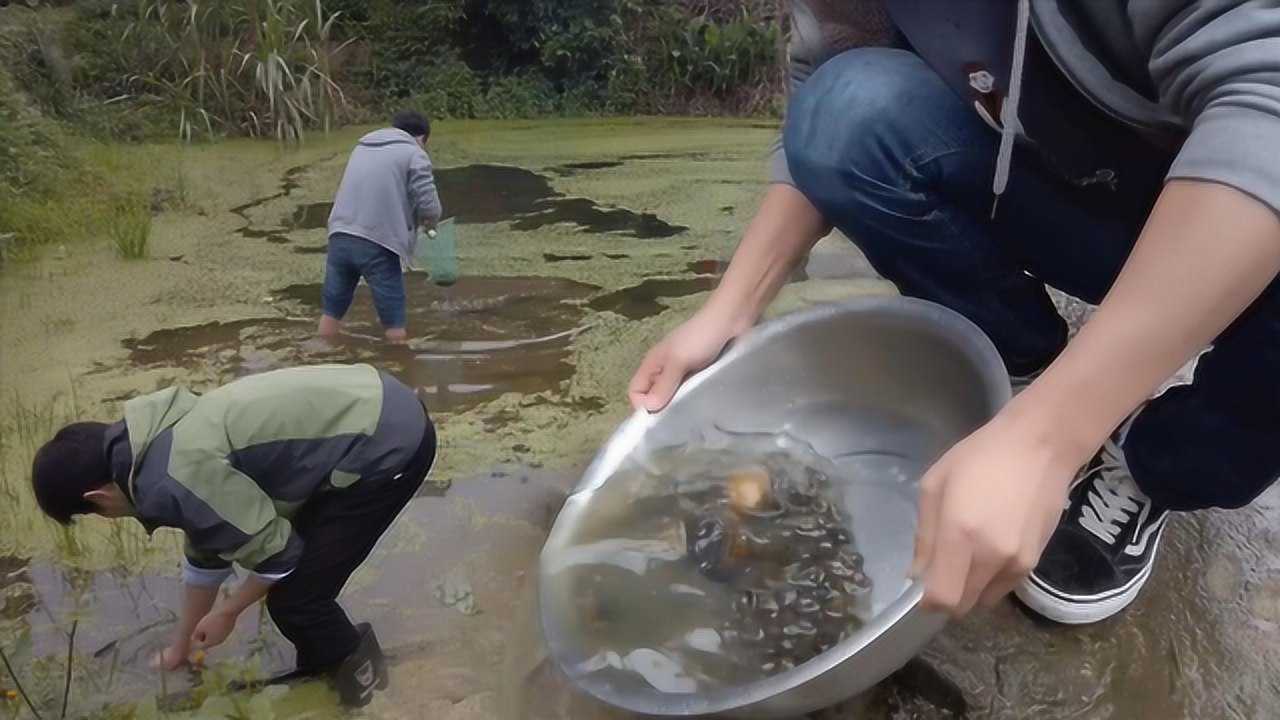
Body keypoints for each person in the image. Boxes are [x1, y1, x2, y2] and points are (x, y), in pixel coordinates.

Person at [629, 0, 1280, 625]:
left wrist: (1047, 439)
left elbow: (1265, 107)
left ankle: (1152, 462)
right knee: (845, 110)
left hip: (1240, 207)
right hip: (1068, 179)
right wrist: (731, 306)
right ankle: (1021, 366)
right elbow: (826, 77)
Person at [30, 364, 437, 707]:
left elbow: (280, 555)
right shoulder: (151, 446)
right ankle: (325, 668)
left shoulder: (173, 477)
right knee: (298, 590)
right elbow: (206, 548)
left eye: (95, 514)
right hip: (372, 404)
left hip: (388, 443)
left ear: (97, 497)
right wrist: (181, 647)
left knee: (298, 601)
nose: (108, 519)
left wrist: (228, 612)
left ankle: (366, 691)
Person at [320, 110, 444, 344]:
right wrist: (431, 223)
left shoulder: (363, 147)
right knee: (394, 318)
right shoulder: (414, 153)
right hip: (377, 242)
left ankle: (321, 355)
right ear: (422, 138)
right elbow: (428, 203)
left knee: (332, 310)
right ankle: (400, 368)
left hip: (339, 236)